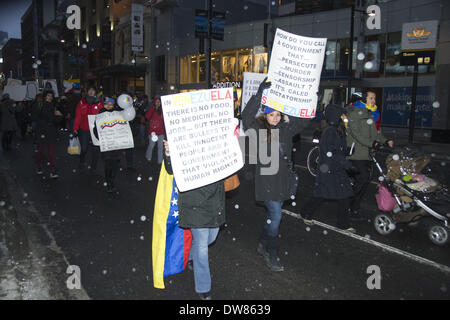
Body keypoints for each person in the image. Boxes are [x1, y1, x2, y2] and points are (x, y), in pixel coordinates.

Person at [241, 78, 309, 272]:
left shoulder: (287, 129)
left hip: (283, 182)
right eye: (271, 114)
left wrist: (308, 98)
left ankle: (262, 243)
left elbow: (303, 121)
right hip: (267, 182)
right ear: (265, 115)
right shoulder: (259, 129)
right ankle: (272, 253)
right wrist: (259, 94)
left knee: (274, 217)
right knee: (277, 216)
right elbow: (245, 117)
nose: (275, 118)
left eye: (278, 114)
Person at [162, 139, 224, 300]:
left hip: (214, 199)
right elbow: (170, 169)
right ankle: (203, 287)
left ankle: (190, 257)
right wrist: (169, 153)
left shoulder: (217, 135)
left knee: (211, 238)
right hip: (194, 201)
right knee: (202, 246)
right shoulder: (183, 135)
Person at [301, 104, 355, 232]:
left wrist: (347, 151)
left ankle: (343, 224)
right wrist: (347, 164)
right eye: (342, 115)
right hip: (329, 169)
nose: (344, 117)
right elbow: (330, 152)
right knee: (321, 194)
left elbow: (337, 149)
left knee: (343, 196)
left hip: (336, 169)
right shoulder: (330, 131)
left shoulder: (338, 129)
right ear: (336, 116)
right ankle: (305, 212)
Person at [346, 89, 394, 219]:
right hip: (357, 153)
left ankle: (354, 207)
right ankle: (347, 204)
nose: (374, 101)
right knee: (362, 179)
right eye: (371, 98)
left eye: (374, 98)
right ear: (364, 99)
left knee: (365, 181)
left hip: (368, 154)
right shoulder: (355, 113)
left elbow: (376, 133)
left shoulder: (371, 114)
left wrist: (385, 141)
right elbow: (357, 134)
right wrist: (371, 143)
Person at [93, 97, 121, 193]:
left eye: (111, 104)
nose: (109, 106)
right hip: (106, 144)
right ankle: (109, 183)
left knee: (116, 164)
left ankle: (112, 179)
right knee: (108, 164)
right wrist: (100, 137)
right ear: (104, 104)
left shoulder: (118, 114)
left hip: (116, 144)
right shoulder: (100, 114)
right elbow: (95, 129)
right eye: (107, 104)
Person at [32, 90, 63, 178]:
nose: (50, 97)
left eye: (51, 96)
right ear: (45, 96)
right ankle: (39, 166)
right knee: (40, 151)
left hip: (50, 131)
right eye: (48, 95)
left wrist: (59, 115)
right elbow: (34, 117)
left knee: (51, 152)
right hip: (41, 131)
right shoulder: (39, 105)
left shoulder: (53, 106)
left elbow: (55, 121)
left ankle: (53, 170)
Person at [73, 86, 103, 172]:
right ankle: (82, 160)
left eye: (93, 90)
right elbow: (78, 116)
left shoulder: (99, 103)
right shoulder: (82, 102)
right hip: (84, 129)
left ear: (95, 93)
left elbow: (103, 115)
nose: (91, 91)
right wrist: (75, 128)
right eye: (90, 89)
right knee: (84, 148)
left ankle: (93, 167)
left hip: (95, 130)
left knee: (96, 149)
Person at [145, 97, 165, 164]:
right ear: (154, 102)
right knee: (151, 145)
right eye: (156, 101)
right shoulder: (152, 109)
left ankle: (160, 161)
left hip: (161, 132)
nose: (158, 103)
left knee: (160, 147)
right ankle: (148, 157)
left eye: (159, 102)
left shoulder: (162, 110)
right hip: (152, 132)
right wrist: (153, 108)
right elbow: (147, 116)